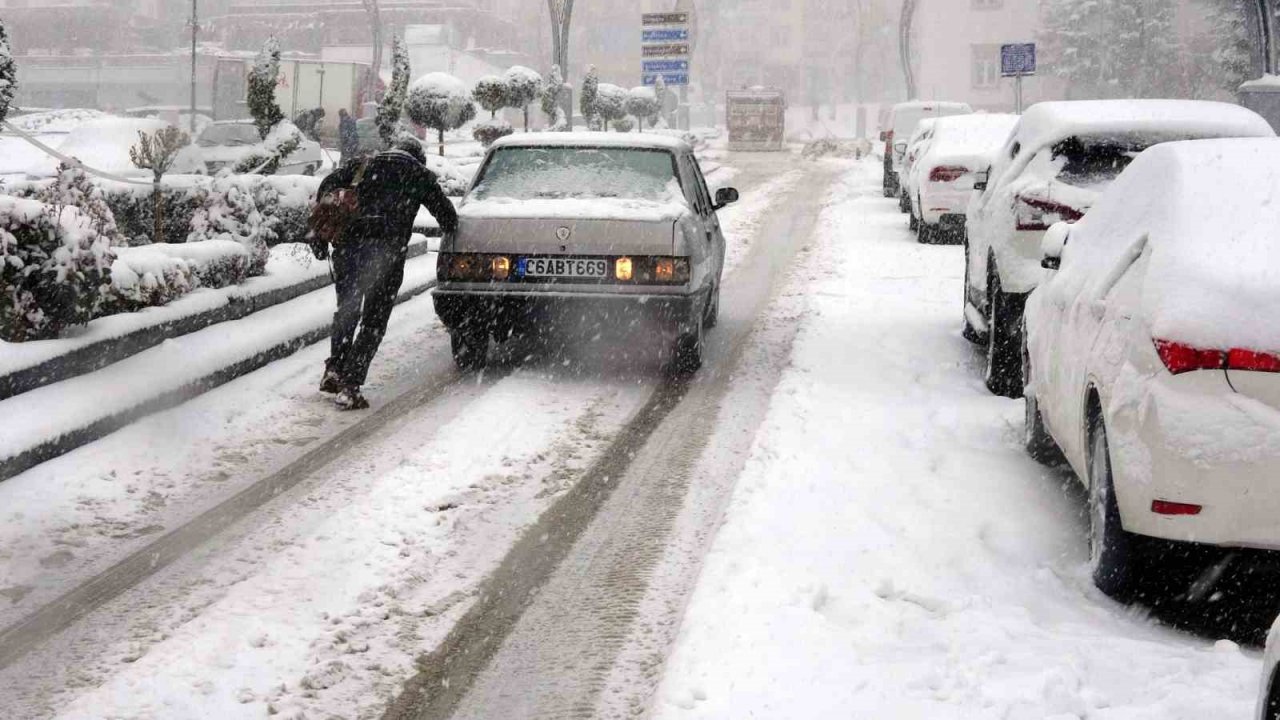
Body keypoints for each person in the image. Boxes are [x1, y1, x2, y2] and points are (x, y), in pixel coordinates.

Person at [313, 136, 458, 410]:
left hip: (348, 251)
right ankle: (351, 386)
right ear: (418, 157)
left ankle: (335, 368)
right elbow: (448, 218)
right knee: (373, 322)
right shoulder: (418, 174)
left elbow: (327, 188)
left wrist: (321, 237)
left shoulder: (363, 164)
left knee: (347, 311)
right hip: (385, 258)